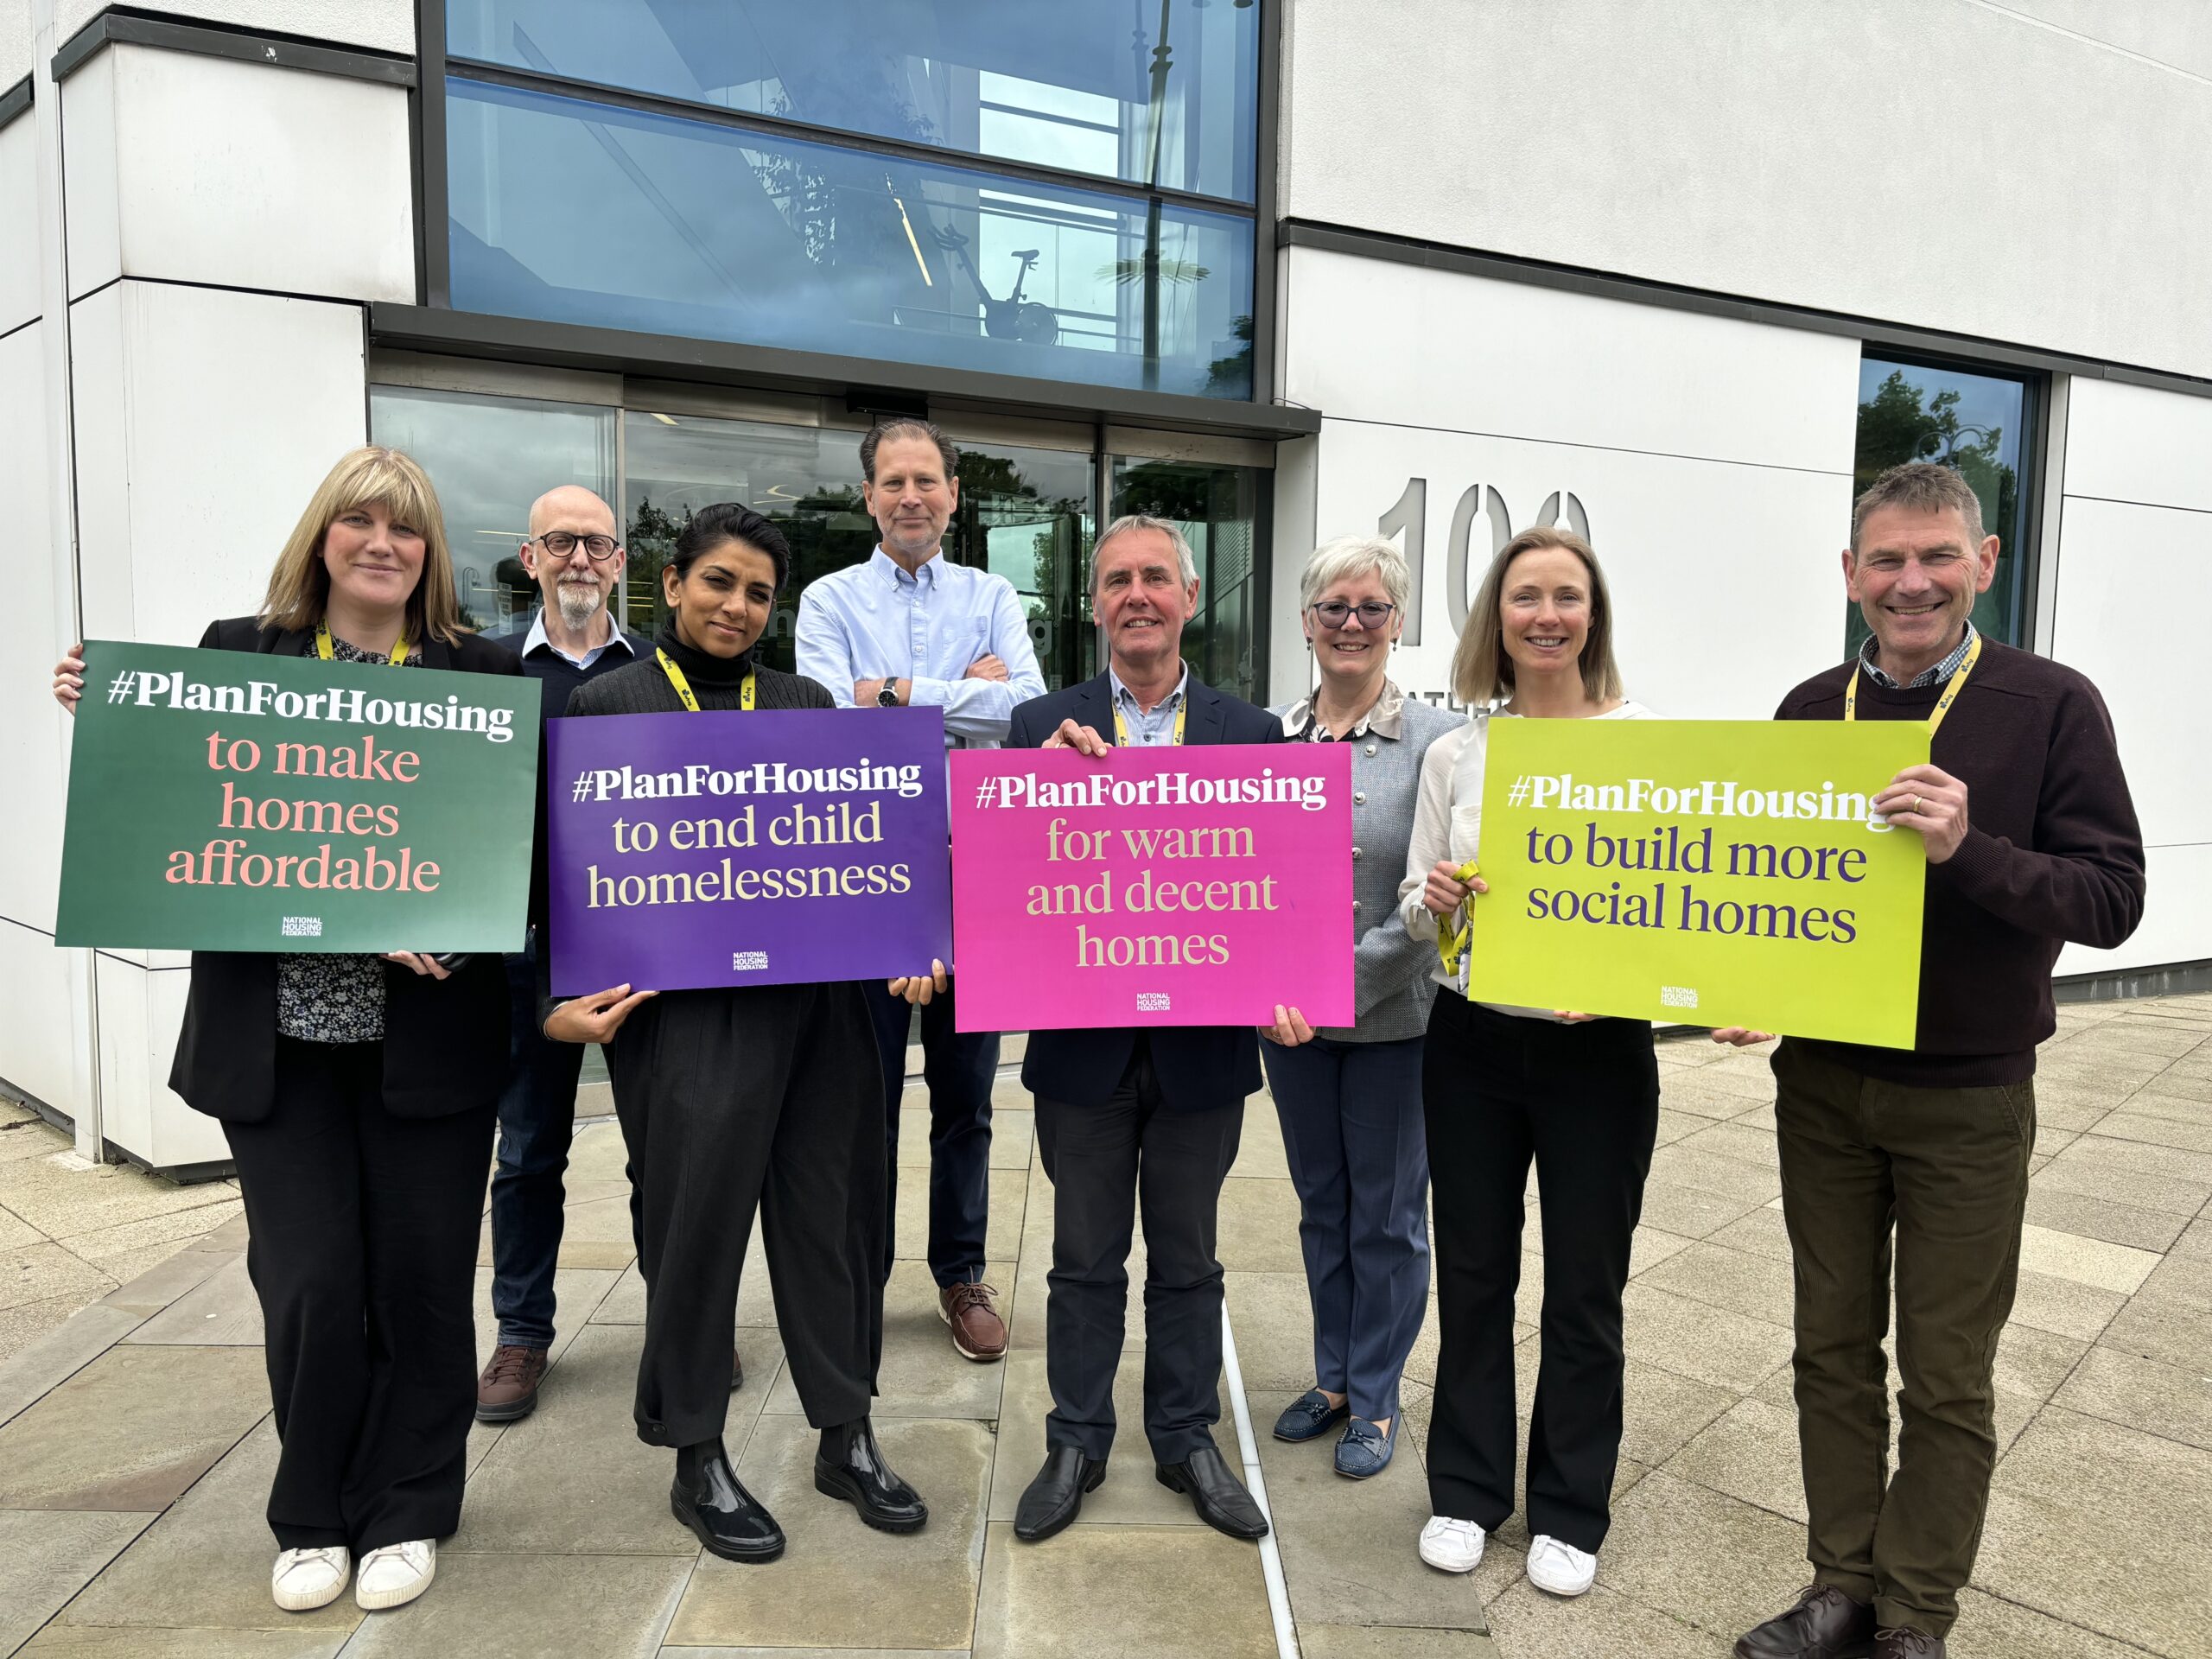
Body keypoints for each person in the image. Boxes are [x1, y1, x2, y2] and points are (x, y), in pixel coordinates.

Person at [50, 447, 524, 1615]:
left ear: (430, 552)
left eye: (406, 528)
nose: (382, 543)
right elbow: (190, 801)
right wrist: (112, 713)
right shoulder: (238, 656)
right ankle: (312, 1509)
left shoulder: (480, 672)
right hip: (281, 1045)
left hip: (429, 1046)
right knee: (310, 1285)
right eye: (358, 522)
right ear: (322, 538)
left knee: (419, 1284)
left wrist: (447, 926)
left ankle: (410, 1504)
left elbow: (513, 860)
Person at [1728, 462, 2145, 1659]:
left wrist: (1972, 849)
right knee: (1830, 1350)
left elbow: (2113, 897)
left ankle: (1917, 1615)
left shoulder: (2051, 704)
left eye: (1937, 558)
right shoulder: (1811, 709)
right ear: (1851, 574)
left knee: (1947, 1376)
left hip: (1967, 1093)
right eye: (1888, 561)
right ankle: (1839, 1584)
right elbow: (1772, 887)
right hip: (1821, 1091)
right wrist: (1747, 983)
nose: (1912, 583)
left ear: (1986, 563)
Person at [541, 502, 927, 1565]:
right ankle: (695, 1454)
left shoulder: (802, 700)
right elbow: (562, 870)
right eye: (718, 582)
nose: (736, 605)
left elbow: (861, 841)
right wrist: (553, 995)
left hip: (815, 1013)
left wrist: (907, 938)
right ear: (669, 586)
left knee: (831, 1225)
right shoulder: (602, 703)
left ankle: (844, 1434)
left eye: (757, 592)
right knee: (693, 1230)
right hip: (682, 1020)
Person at [1007, 514, 1289, 1546]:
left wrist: (1290, 986)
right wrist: (1036, 784)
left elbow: (1279, 893)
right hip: (1081, 1050)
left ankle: (1184, 1437)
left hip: (1202, 1051)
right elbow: (1005, 880)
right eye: (1117, 579)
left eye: (1155, 578)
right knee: (1082, 1259)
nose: (1137, 594)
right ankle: (1075, 1437)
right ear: (1093, 603)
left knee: (1189, 1258)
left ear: (1188, 595)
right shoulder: (1040, 721)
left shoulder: (1254, 733)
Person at [1396, 525, 1657, 1599]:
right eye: (1523, 598)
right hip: (1471, 1044)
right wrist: (1437, 902)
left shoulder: (1646, 746)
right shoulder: (1457, 753)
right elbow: (1414, 910)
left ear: (1591, 616)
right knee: (1473, 1274)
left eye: (1565, 596)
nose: (1544, 615)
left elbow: (1679, 905)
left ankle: (1567, 1507)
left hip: (1598, 1052)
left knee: (1586, 1288)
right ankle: (1464, 1490)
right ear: (1492, 620)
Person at [795, 417, 1044, 1363]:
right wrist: (951, 689)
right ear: (869, 496)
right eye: (893, 481)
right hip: (864, 867)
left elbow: (1022, 711)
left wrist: (891, 691)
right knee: (860, 1093)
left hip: (971, 867)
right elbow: (824, 715)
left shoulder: (992, 593)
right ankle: (856, 1269)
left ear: (951, 494)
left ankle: (961, 1272)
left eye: (927, 480)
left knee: (966, 1091)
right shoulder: (827, 598)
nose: (911, 497)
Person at [1262, 536, 1456, 1479]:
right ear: (1305, 621)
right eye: (1333, 606)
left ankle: (1377, 1400)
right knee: (1320, 1205)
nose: (1350, 623)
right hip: (1285, 1028)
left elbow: (1431, 900)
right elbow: (1232, 881)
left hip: (1391, 1026)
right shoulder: (1270, 737)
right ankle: (1332, 1375)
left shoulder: (1434, 745)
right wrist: (1262, 988)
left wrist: (1334, 983)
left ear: (1399, 624)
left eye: (1371, 609)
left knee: (1387, 1218)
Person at [474, 486, 658, 1424]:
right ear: (529, 555)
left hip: (636, 944)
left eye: (597, 543)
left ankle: (679, 1328)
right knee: (530, 1151)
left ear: (620, 561)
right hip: (525, 951)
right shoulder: (489, 669)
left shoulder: (659, 673)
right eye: (561, 542)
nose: (580, 557)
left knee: (661, 1152)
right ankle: (520, 1335)